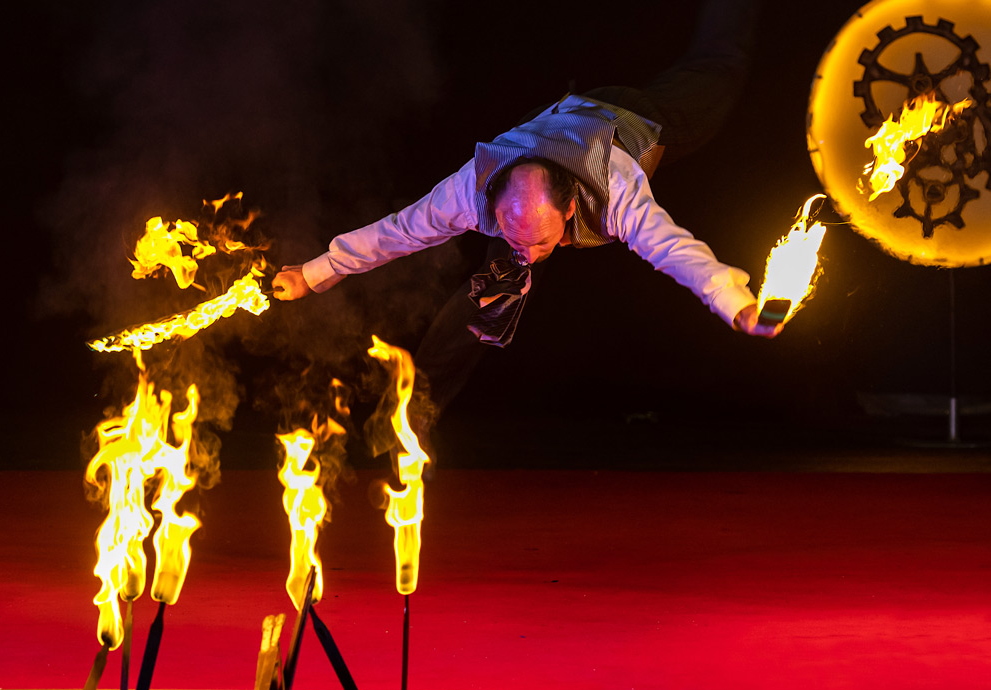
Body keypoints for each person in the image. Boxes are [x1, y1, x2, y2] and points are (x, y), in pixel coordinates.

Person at [272, 1, 779, 414]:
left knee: (719, 70)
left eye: (540, 240)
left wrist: (736, 304)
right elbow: (398, 231)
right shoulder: (471, 189)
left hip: (632, 117)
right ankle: (412, 416)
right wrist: (312, 274)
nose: (530, 254)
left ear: (571, 208)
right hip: (541, 127)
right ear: (494, 203)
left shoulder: (615, 186)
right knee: (496, 289)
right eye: (515, 236)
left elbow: (670, 247)